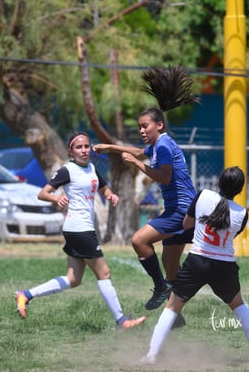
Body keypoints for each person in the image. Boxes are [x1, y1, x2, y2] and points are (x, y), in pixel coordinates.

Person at [14, 131, 146, 330]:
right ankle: (121, 320)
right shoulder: (68, 170)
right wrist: (56, 198)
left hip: (81, 229)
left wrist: (111, 195)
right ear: (71, 151)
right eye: (79, 147)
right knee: (104, 273)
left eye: (86, 146)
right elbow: (43, 193)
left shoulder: (91, 168)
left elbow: (103, 187)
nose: (84, 150)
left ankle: (26, 295)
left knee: (73, 279)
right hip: (79, 229)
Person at [93, 66, 198, 316]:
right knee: (169, 263)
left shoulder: (162, 146)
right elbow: (140, 152)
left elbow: (164, 175)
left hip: (182, 210)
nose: (141, 131)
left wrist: (138, 165)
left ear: (159, 125)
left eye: (145, 126)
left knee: (139, 240)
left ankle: (161, 288)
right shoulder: (161, 143)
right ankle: (175, 313)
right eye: (139, 127)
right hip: (185, 209)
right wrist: (111, 146)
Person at [140, 166, 249, 366]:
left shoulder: (203, 196)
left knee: (172, 307)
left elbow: (185, 225)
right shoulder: (242, 213)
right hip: (224, 265)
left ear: (218, 183)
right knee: (238, 305)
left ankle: (151, 355)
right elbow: (229, 234)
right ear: (240, 190)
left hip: (197, 261)